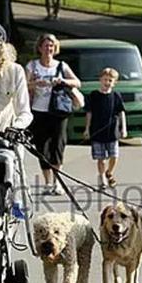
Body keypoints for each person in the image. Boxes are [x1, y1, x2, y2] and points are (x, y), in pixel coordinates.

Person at [25, 33, 81, 195]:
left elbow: (77, 82)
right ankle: (47, 182)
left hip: (58, 111)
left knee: (58, 146)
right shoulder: (32, 66)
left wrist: (62, 81)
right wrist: (36, 83)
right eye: (45, 45)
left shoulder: (61, 66)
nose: (48, 48)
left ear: (54, 48)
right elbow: (23, 85)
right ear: (40, 47)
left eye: (51, 46)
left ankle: (57, 182)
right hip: (39, 111)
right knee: (42, 148)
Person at [83, 67, 126, 189]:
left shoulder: (116, 96)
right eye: (105, 80)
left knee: (114, 155)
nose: (107, 83)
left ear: (114, 82)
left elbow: (121, 112)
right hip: (97, 131)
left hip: (112, 131)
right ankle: (102, 178)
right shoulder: (94, 95)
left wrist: (124, 128)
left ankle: (109, 172)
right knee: (100, 158)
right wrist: (87, 128)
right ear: (100, 80)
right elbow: (89, 112)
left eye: (110, 80)